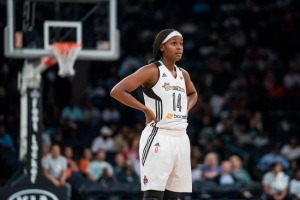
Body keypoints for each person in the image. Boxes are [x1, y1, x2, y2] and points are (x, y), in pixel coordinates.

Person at [111, 29, 198, 200]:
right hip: (159, 135)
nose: (179, 47)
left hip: (181, 137)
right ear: (162, 47)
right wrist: (145, 109)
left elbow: (193, 93)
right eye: (174, 44)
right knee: (153, 196)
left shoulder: (183, 74)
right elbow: (118, 90)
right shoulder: (152, 70)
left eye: (181, 44)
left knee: (173, 197)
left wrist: (186, 109)